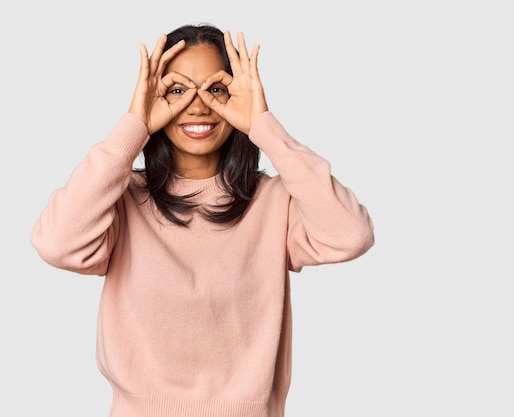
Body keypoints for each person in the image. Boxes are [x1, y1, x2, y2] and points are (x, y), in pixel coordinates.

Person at [31, 22, 374, 417]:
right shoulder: (120, 200)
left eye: (216, 90)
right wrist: (133, 128)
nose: (197, 105)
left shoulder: (275, 202)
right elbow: (56, 243)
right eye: (177, 90)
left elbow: (351, 234)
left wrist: (264, 127)